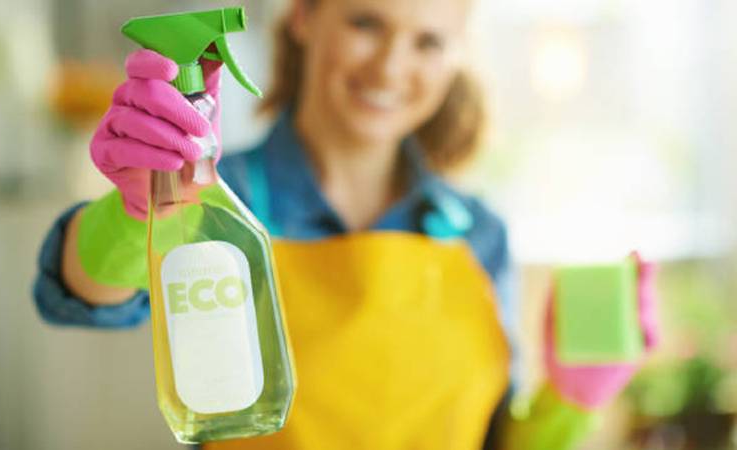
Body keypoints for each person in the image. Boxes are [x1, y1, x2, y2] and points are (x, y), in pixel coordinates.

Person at [33, 0, 658, 448]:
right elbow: (75, 298)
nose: (390, 67)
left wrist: (570, 403)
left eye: (428, 42)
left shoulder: (477, 233)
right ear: (304, 16)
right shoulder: (215, 198)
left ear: (456, 56)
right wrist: (135, 214)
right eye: (366, 23)